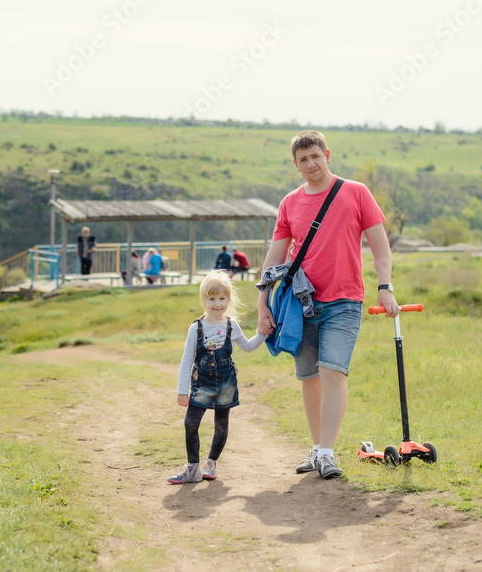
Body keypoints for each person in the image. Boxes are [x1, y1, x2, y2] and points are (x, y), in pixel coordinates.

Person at [256, 130, 398, 480]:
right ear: (296, 164)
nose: (311, 164)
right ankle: (318, 447)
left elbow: (380, 247)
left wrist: (385, 287)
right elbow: (275, 256)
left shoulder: (356, 192)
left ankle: (327, 453)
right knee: (310, 377)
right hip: (299, 303)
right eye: (303, 159)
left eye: (315, 156)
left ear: (327, 155)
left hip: (344, 300)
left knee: (334, 371)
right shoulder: (289, 203)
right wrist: (263, 303)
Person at [168, 271, 266, 484]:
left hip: (226, 382)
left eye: (222, 298)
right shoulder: (196, 328)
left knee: (221, 425)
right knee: (190, 422)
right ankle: (193, 469)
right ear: (204, 300)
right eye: (212, 298)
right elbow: (186, 360)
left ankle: (211, 463)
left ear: (228, 300)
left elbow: (248, 347)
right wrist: (182, 390)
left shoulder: (231, 325)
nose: (217, 303)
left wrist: (263, 334)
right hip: (201, 383)